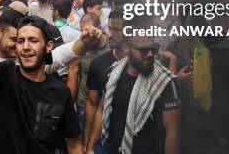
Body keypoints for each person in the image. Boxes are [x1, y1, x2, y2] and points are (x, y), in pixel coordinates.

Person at [0, 8, 102, 154]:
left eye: (32, 41)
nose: (24, 47)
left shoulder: (52, 83)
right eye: (18, 40)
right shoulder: (3, 73)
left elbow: (63, 53)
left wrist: (84, 41)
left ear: (47, 46)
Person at [92, 19, 181, 154]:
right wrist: (90, 147)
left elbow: (172, 133)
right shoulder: (113, 74)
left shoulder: (165, 83)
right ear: (127, 48)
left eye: (153, 49)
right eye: (144, 51)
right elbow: (101, 110)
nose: (150, 55)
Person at [84, 10, 127, 153]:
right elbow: (93, 104)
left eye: (116, 30)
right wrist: (87, 145)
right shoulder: (99, 64)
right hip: (106, 140)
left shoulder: (142, 63)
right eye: (109, 28)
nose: (110, 34)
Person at [69, 13, 110, 133]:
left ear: (99, 27)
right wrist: (73, 102)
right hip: (84, 102)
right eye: (83, 30)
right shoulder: (81, 46)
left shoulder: (111, 46)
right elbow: (74, 73)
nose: (88, 34)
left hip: (106, 105)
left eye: (91, 29)